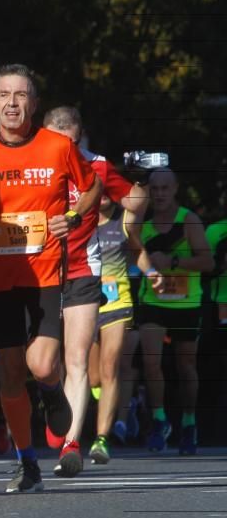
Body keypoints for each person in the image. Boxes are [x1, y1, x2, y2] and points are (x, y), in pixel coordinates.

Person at [0, 63, 101, 493]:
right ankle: (26, 461)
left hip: (48, 275)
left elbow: (91, 189)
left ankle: (52, 391)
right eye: (4, 95)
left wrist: (71, 216)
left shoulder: (56, 146)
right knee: (11, 373)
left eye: (21, 95)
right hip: (0, 281)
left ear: (33, 103)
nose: (12, 103)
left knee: (42, 363)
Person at [42, 107, 149, 476]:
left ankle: (73, 443)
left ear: (81, 138)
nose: (65, 150)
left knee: (80, 360)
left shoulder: (98, 166)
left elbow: (133, 202)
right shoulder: (31, 162)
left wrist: (140, 183)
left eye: (71, 143)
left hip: (84, 272)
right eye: (58, 143)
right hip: (39, 271)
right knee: (43, 363)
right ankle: (55, 402)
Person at [82, 190, 162, 464]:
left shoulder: (124, 220)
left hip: (118, 301)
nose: (103, 195)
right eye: (97, 190)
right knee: (93, 377)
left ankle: (102, 438)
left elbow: (138, 249)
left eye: (108, 189)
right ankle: (106, 401)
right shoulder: (79, 221)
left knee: (110, 366)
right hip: (85, 303)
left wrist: (151, 272)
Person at [137, 168, 213, 454]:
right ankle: (159, 420)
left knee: (185, 366)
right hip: (154, 301)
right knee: (151, 362)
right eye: (154, 188)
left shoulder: (188, 221)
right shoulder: (142, 224)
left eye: (164, 188)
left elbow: (207, 262)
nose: (159, 194)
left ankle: (189, 423)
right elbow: (136, 258)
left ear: (175, 189)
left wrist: (175, 260)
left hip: (186, 302)